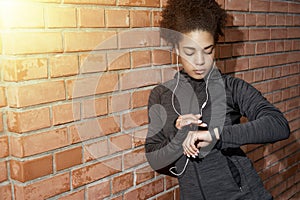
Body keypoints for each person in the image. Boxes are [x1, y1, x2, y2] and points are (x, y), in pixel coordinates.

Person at [145, 0, 290, 199]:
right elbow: (154, 158)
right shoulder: (161, 96)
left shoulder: (231, 88)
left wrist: (217, 136)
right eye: (190, 52)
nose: (200, 61)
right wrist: (178, 138)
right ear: (176, 49)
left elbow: (278, 124)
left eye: (208, 50)